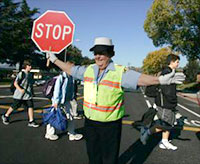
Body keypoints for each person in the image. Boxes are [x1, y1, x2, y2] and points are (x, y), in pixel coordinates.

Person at [46, 37, 185, 164]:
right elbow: (70, 69)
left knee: (109, 160)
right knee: (93, 157)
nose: (98, 56)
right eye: (96, 53)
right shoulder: (88, 70)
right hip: (90, 123)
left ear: (111, 54)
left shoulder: (119, 72)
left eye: (102, 52)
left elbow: (139, 78)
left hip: (110, 126)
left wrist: (159, 80)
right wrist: (54, 60)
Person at [140, 54, 181, 150]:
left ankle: (164, 141)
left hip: (167, 102)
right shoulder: (167, 72)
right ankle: (148, 131)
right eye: (177, 62)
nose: (178, 64)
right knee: (166, 124)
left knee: (169, 122)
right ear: (172, 62)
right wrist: (172, 101)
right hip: (165, 103)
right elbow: (166, 90)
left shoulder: (170, 71)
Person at [45, 72, 83, 141]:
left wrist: (72, 97)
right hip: (59, 101)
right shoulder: (61, 77)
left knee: (70, 116)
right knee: (54, 116)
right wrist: (56, 101)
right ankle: (50, 133)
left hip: (67, 100)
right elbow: (56, 90)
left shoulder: (71, 77)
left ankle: (71, 133)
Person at [1, 60, 39, 127]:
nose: (30, 67)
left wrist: (32, 92)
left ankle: (31, 121)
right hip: (19, 95)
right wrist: (20, 89)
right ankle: (6, 115)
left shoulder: (30, 74)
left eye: (30, 65)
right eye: (29, 65)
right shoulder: (22, 73)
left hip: (28, 95)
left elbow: (30, 85)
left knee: (30, 106)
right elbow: (15, 83)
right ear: (25, 66)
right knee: (15, 106)